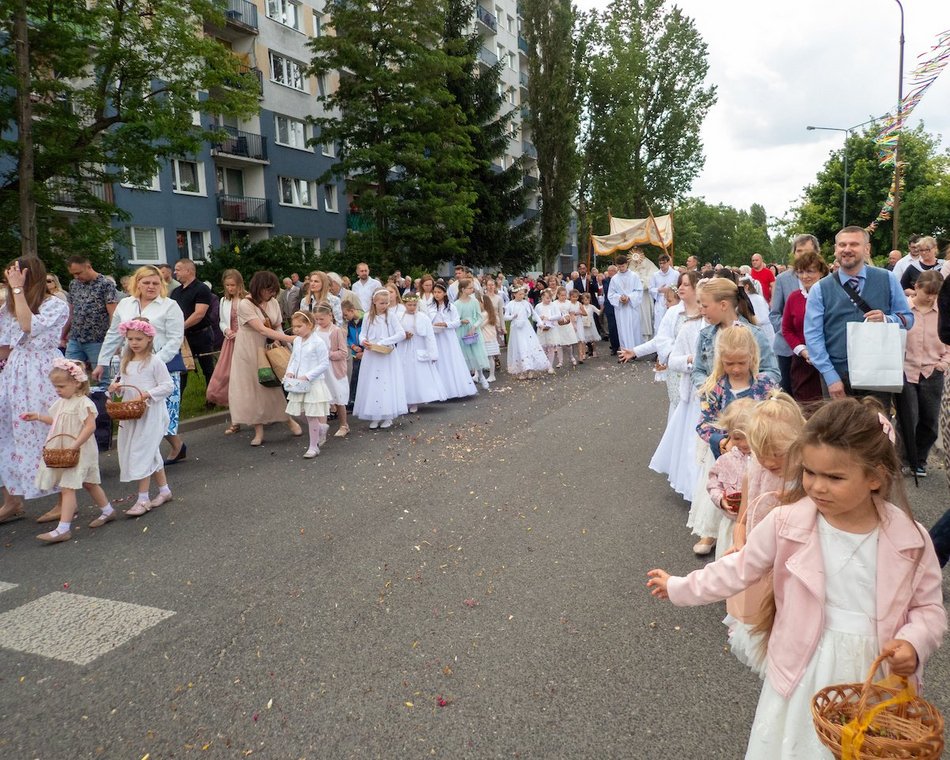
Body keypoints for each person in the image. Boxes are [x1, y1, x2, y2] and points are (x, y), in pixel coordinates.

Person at [647, 398, 947, 760]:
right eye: (809, 472)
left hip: (876, 674)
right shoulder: (787, 524)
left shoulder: (910, 539)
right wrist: (680, 587)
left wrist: (913, 643)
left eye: (834, 477)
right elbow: (738, 567)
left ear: (875, 476)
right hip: (801, 668)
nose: (817, 487)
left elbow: (928, 607)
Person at [689, 326, 777, 555]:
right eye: (730, 364)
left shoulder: (765, 385)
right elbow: (704, 423)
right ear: (721, 361)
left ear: (752, 357)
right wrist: (720, 440)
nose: (736, 369)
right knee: (722, 490)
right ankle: (713, 532)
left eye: (741, 363)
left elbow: (776, 415)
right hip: (726, 454)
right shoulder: (714, 387)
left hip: (758, 451)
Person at [803, 226, 913, 400]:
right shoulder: (820, 289)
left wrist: (887, 319)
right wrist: (830, 377)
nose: (847, 249)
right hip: (837, 375)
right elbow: (813, 336)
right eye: (842, 245)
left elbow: (908, 319)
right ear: (835, 250)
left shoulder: (887, 279)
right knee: (838, 427)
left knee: (877, 426)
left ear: (867, 249)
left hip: (878, 373)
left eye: (854, 244)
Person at [0, 257, 71, 523]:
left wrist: (18, 291)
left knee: (47, 431)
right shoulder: (9, 308)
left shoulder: (55, 305)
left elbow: (28, 326)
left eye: (16, 275)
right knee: (9, 430)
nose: (11, 280)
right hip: (15, 371)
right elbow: (5, 346)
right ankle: (12, 500)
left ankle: (64, 500)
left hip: (42, 371)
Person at [94, 266, 186, 464]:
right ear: (138, 283)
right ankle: (152, 457)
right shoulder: (126, 304)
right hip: (132, 365)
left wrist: (154, 362)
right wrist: (102, 361)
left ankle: (167, 452)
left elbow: (175, 339)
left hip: (163, 365)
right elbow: (114, 334)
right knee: (139, 411)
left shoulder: (169, 306)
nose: (151, 287)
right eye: (146, 282)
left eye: (155, 283)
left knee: (163, 414)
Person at [21, 359, 113, 542]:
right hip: (68, 450)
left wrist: (75, 445)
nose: (57, 390)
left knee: (68, 487)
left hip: (80, 450)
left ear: (76, 382)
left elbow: (90, 427)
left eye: (61, 386)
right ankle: (108, 510)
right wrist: (38, 416)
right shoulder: (62, 402)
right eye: (55, 386)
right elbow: (56, 421)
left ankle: (63, 529)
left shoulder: (83, 403)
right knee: (89, 483)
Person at [109, 319, 175, 517]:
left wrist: (147, 394)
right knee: (150, 452)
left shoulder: (154, 362)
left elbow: (168, 386)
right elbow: (119, 384)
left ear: (149, 338)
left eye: (139, 338)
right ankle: (164, 490)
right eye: (130, 339)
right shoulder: (125, 361)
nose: (134, 342)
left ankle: (143, 498)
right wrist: (113, 390)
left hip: (150, 413)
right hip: (131, 413)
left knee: (141, 452)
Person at [229, 271, 301, 446]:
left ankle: (288, 420)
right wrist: (291, 339)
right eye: (268, 290)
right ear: (259, 288)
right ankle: (258, 431)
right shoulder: (245, 304)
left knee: (273, 387)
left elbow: (277, 325)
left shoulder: (274, 302)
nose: (271, 294)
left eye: (273, 291)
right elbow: (261, 329)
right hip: (249, 350)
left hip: (268, 348)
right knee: (253, 389)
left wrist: (284, 345)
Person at [648, 272, 704, 498]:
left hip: (702, 383)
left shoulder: (705, 316)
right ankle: (680, 468)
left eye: (686, 284)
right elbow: (661, 341)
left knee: (692, 429)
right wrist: (680, 357)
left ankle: (696, 478)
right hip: (678, 373)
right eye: (679, 284)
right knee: (679, 417)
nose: (681, 288)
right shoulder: (674, 313)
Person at [895, 270, 950, 478]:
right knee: (908, 418)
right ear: (916, 287)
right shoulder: (903, 308)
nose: (931, 297)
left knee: (930, 421)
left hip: (932, 371)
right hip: (906, 370)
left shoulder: (943, 310)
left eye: (935, 294)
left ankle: (920, 459)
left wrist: (943, 363)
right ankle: (903, 459)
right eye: (928, 292)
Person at [693, 278, 780, 392]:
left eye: (705, 306)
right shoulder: (705, 336)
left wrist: (747, 388)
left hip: (748, 405)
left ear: (723, 305)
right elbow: (698, 370)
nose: (701, 310)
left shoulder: (755, 335)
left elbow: (772, 372)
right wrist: (711, 388)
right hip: (716, 406)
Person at [703, 398, 755, 559]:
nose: (744, 443)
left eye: (749, 436)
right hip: (732, 522)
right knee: (730, 563)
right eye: (737, 438)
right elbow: (713, 484)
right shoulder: (725, 460)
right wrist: (720, 500)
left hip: (757, 522)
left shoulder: (766, 458)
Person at [769, 234, 820, 395]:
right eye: (799, 251)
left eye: (807, 251)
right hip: (787, 350)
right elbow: (775, 314)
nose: (802, 255)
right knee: (788, 397)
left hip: (817, 351)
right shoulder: (783, 279)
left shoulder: (825, 280)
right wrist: (791, 331)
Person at [354, 289, 407, 429]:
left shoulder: (390, 316)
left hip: (386, 355)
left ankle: (387, 415)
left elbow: (401, 334)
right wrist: (363, 341)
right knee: (372, 383)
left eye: (387, 303)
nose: (384, 306)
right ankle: (375, 415)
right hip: (372, 354)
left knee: (385, 382)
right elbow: (362, 334)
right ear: (374, 302)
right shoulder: (367, 316)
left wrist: (384, 341)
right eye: (382, 303)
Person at [780, 250, 828, 405]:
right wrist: (803, 351)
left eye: (810, 271)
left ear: (821, 272)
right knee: (806, 409)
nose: (805, 276)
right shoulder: (794, 297)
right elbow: (787, 329)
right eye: (800, 272)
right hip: (802, 364)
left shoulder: (831, 295)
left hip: (829, 360)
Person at [283, 310, 332, 459]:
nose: (296, 329)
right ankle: (321, 427)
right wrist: (290, 372)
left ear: (310, 325)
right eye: (294, 327)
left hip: (313, 383)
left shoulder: (318, 342)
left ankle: (313, 446)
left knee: (311, 415)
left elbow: (324, 364)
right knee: (298, 412)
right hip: (298, 383)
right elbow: (294, 359)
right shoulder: (297, 341)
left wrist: (308, 376)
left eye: (299, 326)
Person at [206, 269, 246, 432]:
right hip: (230, 343)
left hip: (245, 342)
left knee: (247, 379)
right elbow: (222, 321)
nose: (230, 288)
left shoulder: (246, 300)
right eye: (227, 285)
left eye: (233, 285)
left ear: (239, 285)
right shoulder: (224, 301)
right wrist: (226, 331)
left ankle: (253, 413)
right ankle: (235, 419)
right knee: (228, 377)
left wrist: (240, 332)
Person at [63, 255, 119, 370]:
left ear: (88, 267)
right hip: (75, 338)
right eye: (73, 274)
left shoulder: (106, 284)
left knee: (102, 377)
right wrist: (63, 335)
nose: (76, 276)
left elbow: (113, 315)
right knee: (68, 374)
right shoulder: (74, 284)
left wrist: (114, 341)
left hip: (98, 340)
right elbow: (71, 313)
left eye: (79, 273)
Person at [171, 258, 216, 395]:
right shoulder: (176, 292)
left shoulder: (201, 289)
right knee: (182, 369)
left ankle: (212, 397)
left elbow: (199, 314)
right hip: (183, 337)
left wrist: (181, 326)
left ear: (188, 270)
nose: (175, 273)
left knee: (207, 368)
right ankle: (178, 401)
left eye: (178, 269)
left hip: (201, 334)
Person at [429, 283, 479, 397]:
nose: (436, 295)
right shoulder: (430, 307)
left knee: (450, 360)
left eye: (439, 292)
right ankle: (439, 391)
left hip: (448, 337)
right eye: (435, 292)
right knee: (439, 361)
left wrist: (446, 324)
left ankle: (455, 388)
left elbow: (457, 322)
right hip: (436, 337)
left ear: (444, 293)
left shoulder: (451, 307)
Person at [398, 294, 446, 412]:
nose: (412, 307)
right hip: (403, 348)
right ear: (404, 304)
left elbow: (430, 336)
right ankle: (404, 399)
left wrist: (433, 353)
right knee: (404, 373)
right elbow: (395, 332)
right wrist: (403, 335)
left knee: (416, 374)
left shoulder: (423, 317)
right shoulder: (399, 317)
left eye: (414, 305)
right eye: (409, 305)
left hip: (418, 347)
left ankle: (415, 400)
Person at [312, 304, 350, 437]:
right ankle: (321, 427)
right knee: (323, 397)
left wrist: (328, 354)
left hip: (334, 370)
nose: (319, 322)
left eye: (321, 319)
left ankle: (344, 424)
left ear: (330, 316)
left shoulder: (336, 331)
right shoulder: (315, 330)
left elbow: (344, 352)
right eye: (316, 319)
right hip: (320, 370)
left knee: (338, 396)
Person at [503, 286, 551, 378]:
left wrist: (540, 323)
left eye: (523, 294)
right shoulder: (510, 304)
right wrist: (512, 316)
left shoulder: (526, 303)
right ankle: (522, 370)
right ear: (514, 294)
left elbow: (534, 314)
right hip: (516, 329)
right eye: (520, 294)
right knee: (519, 347)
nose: (522, 296)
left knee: (528, 346)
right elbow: (505, 316)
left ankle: (530, 369)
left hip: (526, 327)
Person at [455, 278, 491, 389]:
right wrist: (461, 321)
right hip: (462, 330)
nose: (472, 290)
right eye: (470, 288)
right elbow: (455, 318)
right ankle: (467, 379)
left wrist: (474, 327)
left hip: (473, 329)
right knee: (465, 354)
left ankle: (481, 376)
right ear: (463, 289)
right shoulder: (456, 304)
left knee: (477, 353)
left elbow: (480, 317)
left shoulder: (474, 301)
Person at [606, 254, 643, 352]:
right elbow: (611, 294)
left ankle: (635, 351)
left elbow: (639, 291)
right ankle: (624, 351)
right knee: (622, 330)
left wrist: (629, 297)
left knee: (633, 328)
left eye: (623, 266)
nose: (621, 268)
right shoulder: (614, 279)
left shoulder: (634, 276)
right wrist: (619, 298)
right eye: (619, 266)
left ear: (627, 264)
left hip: (631, 308)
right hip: (621, 309)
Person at [648, 254, 679, 331]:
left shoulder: (676, 274)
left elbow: (679, 288)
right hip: (660, 301)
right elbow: (650, 289)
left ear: (668, 262)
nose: (662, 265)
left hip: (672, 302)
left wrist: (670, 290)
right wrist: (659, 290)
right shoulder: (655, 275)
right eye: (660, 263)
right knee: (658, 325)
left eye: (664, 263)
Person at [342, 300, 363, 411]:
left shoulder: (365, 320)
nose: (345, 318)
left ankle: (359, 399)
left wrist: (363, 350)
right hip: (355, 351)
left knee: (361, 376)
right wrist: (353, 346)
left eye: (346, 314)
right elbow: (348, 337)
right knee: (353, 375)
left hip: (364, 352)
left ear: (352, 310)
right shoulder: (350, 323)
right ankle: (352, 399)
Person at [478, 292, 501, 381]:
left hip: (485, 337)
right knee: (489, 357)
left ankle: (491, 375)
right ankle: (489, 375)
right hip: (491, 337)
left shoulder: (484, 314)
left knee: (488, 357)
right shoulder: (491, 314)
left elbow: (479, 326)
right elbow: (498, 323)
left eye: (480, 302)